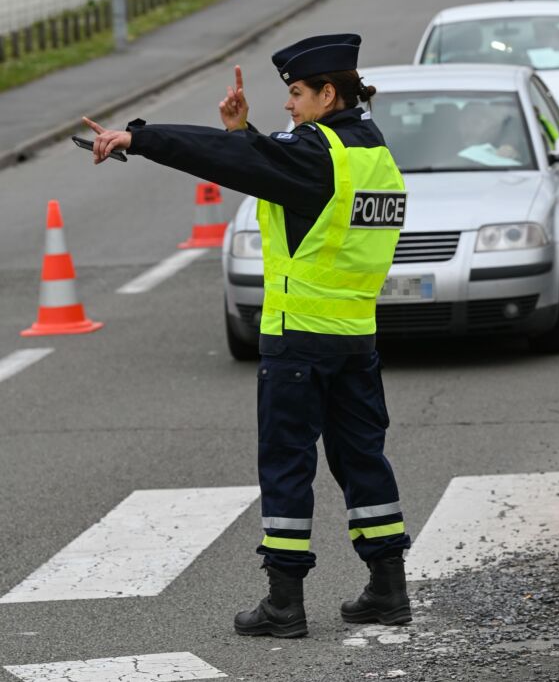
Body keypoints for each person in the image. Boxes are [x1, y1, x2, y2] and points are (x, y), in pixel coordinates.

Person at [83, 32, 412, 639]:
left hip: (297, 340)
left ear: (327, 93)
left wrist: (141, 137)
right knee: (362, 459)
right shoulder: (372, 153)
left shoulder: (317, 153)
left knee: (287, 465)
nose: (288, 105)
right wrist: (245, 136)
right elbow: (286, 179)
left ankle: (284, 603)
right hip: (354, 336)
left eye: (295, 93)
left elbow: (245, 163)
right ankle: (388, 588)